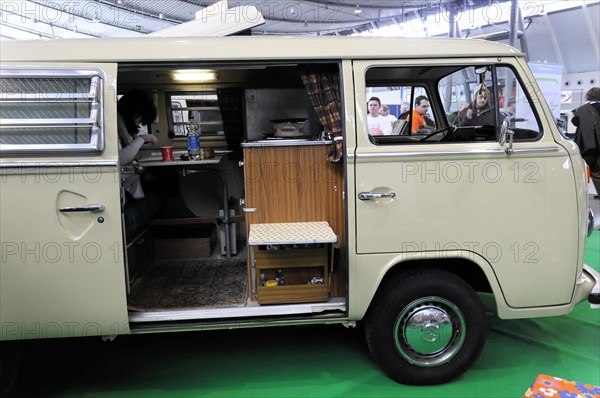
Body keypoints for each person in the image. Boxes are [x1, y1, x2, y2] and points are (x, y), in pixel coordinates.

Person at [118, 89, 159, 200]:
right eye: (141, 118)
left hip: (128, 176)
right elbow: (120, 159)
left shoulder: (125, 127)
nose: (140, 123)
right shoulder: (115, 124)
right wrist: (142, 138)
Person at [573, 87, 600, 198]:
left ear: (588, 96)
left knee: (591, 174)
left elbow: (575, 123)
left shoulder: (581, 111)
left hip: (591, 151)